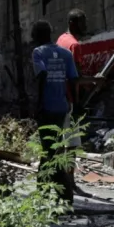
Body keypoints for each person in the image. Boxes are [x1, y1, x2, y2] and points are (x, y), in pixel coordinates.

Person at [32, 20, 78, 203]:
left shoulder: (38, 52)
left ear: (37, 35)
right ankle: (46, 195)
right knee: (51, 149)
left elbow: (42, 74)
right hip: (62, 107)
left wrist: (38, 103)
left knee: (49, 152)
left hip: (47, 107)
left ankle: (61, 195)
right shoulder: (65, 53)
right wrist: (76, 104)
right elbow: (73, 80)